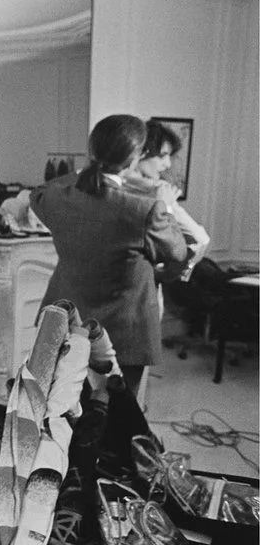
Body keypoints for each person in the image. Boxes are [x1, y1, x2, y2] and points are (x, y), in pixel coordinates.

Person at [30, 114, 189, 393]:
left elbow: (41, 190)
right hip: (125, 332)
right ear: (134, 158)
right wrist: (167, 207)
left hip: (66, 322)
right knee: (119, 410)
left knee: (64, 405)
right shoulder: (146, 210)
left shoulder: (54, 199)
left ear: (92, 149)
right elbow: (178, 252)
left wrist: (86, 169)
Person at [123, 120, 210, 287]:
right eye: (162, 155)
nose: (167, 164)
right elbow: (200, 239)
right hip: (141, 285)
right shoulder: (157, 191)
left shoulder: (108, 185)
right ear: (142, 153)